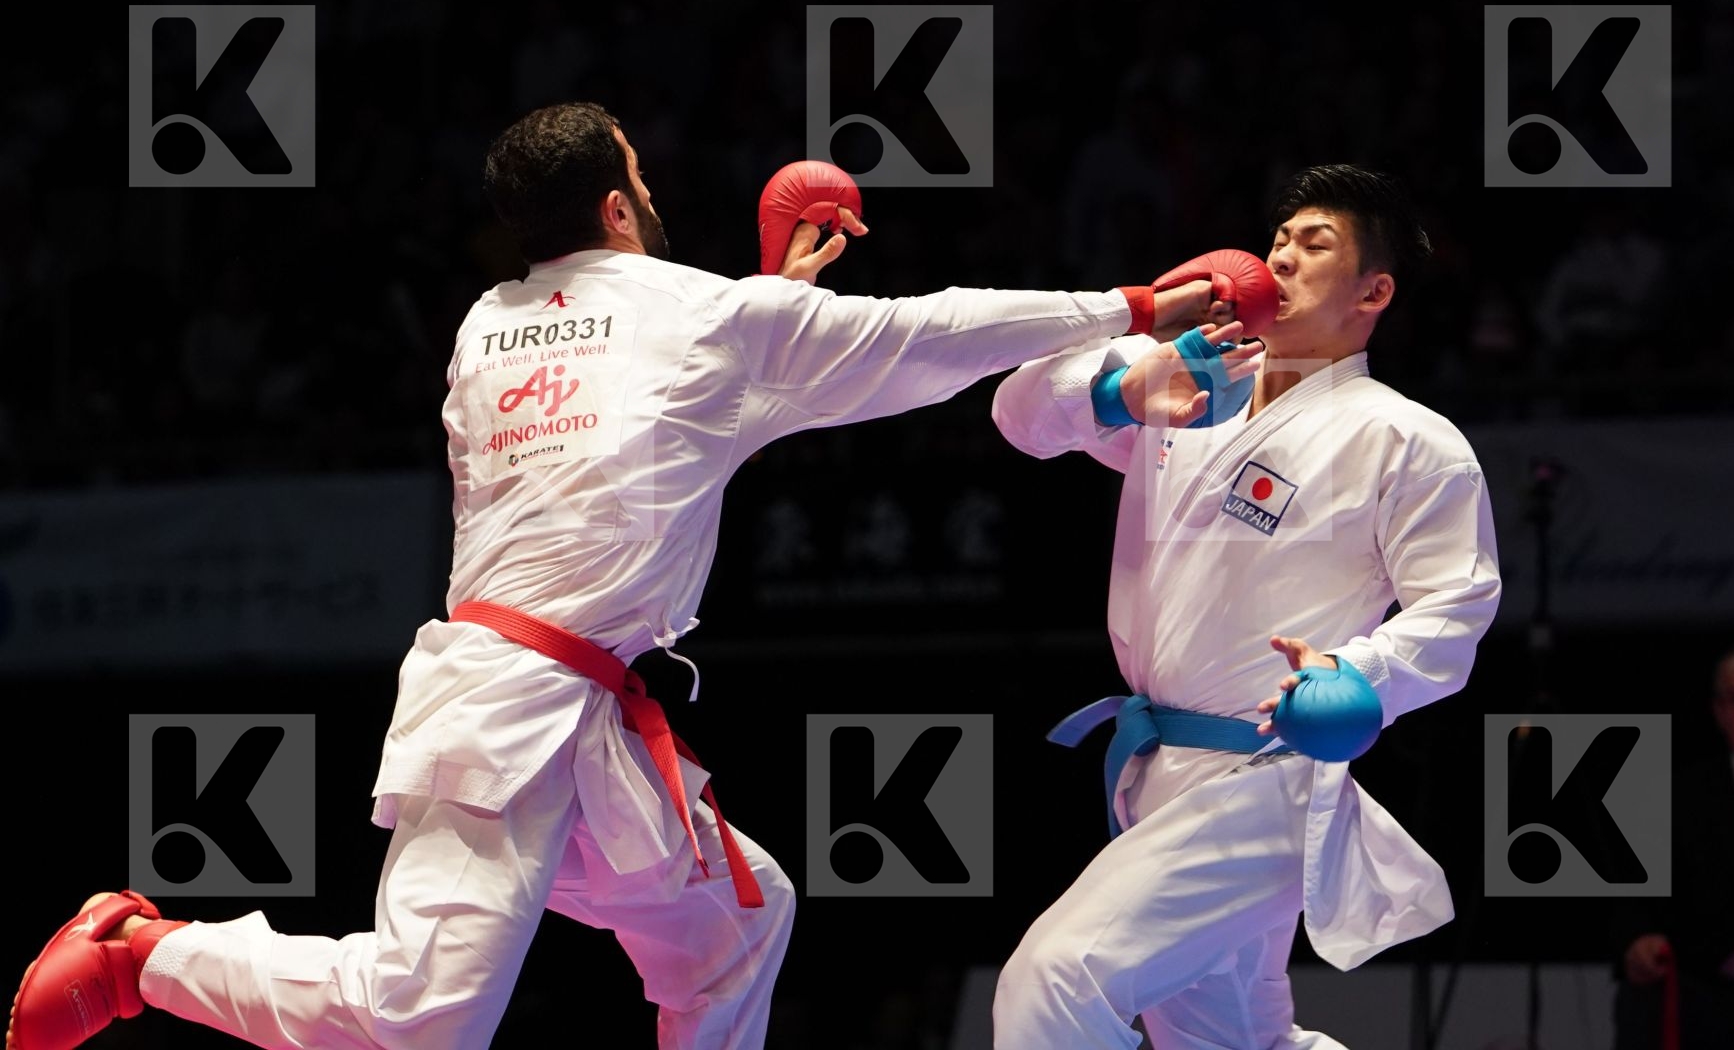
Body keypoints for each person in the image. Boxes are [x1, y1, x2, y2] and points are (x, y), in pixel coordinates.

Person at [7, 102, 1222, 1050]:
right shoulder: (700, 324)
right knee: (421, 1021)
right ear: (618, 203)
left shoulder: (486, 325)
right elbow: (921, 335)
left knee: (743, 923)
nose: (652, 190)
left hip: (577, 716)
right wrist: (1126, 306)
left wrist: (766, 315)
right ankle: (139, 953)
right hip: (508, 710)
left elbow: (649, 413)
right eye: (641, 176)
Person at [988, 164, 1502, 1048]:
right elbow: (1017, 413)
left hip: (1265, 770)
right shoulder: (1189, 383)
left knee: (1055, 979)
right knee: (1229, 1043)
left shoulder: (1406, 439)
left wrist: (1355, 672)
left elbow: (1455, 607)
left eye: (1316, 244)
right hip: (1157, 765)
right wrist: (1119, 388)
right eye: (1278, 240)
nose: (1283, 258)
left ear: (1373, 291)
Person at [1612, 640, 1734, 1048]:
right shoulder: (1678, 796)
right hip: (1718, 997)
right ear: (1719, 713)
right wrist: (1638, 943)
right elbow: (1630, 899)